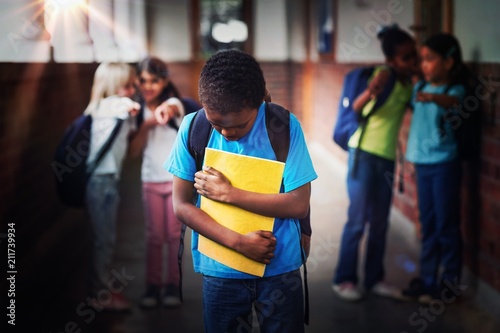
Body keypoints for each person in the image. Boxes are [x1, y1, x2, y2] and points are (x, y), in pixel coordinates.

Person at [163, 49, 317, 332]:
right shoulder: (192, 128)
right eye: (216, 124)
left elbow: (298, 204)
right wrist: (238, 243)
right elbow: (182, 205)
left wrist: (228, 194)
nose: (226, 133)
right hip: (221, 269)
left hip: (279, 266)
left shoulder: (283, 127)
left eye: (239, 125)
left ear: (259, 103)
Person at [332, 25, 418, 301]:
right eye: (407, 58)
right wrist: (370, 92)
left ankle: (374, 278)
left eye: (414, 56)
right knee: (358, 220)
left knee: (380, 222)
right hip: (364, 156)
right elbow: (357, 108)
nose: (413, 62)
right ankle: (344, 279)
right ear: (392, 61)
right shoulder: (384, 76)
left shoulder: (407, 83)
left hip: (387, 160)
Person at [128, 56, 201, 308]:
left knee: (173, 235)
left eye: (155, 80)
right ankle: (152, 286)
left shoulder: (178, 107)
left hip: (175, 183)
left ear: (165, 81)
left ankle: (172, 285)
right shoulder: (135, 112)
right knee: (154, 237)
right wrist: (146, 125)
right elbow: (133, 152)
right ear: (136, 81)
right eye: (143, 80)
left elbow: (179, 107)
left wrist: (169, 108)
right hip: (149, 180)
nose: (148, 86)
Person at [402, 33, 468, 304]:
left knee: (446, 226)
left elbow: (454, 104)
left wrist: (433, 97)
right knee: (427, 225)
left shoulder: (454, 92)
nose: (425, 65)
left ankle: (449, 284)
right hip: (423, 165)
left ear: (449, 62)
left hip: (444, 166)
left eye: (430, 59)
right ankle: (429, 281)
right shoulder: (419, 90)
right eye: (422, 60)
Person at [84, 62, 140, 311]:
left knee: (106, 237)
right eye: (127, 85)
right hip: (100, 181)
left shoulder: (104, 109)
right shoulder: (108, 106)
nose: (131, 90)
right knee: (103, 239)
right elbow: (127, 106)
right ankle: (100, 294)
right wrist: (132, 104)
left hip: (107, 180)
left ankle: (102, 286)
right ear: (113, 86)